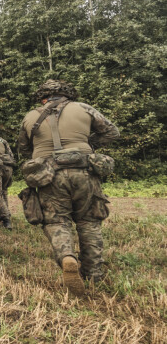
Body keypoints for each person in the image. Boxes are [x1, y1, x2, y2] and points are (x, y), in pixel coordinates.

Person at [18, 79, 119, 296]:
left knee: (56, 221)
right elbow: (112, 132)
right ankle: (93, 275)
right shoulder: (83, 108)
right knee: (89, 222)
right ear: (67, 94)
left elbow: (24, 149)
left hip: (49, 176)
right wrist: (86, 144)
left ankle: (67, 257)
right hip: (84, 171)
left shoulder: (30, 116)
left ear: (42, 97)